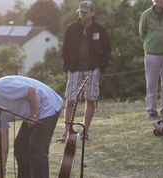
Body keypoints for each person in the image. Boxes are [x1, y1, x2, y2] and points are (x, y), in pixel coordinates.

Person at [0, 76, 62, 178]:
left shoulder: (0, 87)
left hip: (48, 104)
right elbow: (3, 138)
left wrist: (34, 115)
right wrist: (2, 167)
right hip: (33, 113)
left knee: (36, 148)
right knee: (20, 147)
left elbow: (30, 90)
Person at [60, 0, 111, 140]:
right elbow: (65, 49)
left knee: (90, 100)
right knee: (70, 100)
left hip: (92, 69)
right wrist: (67, 65)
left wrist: (100, 68)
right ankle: (67, 130)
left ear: (92, 13)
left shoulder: (99, 29)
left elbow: (106, 50)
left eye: (85, 12)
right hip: (74, 69)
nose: (82, 15)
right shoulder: (71, 28)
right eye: (81, 12)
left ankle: (85, 131)